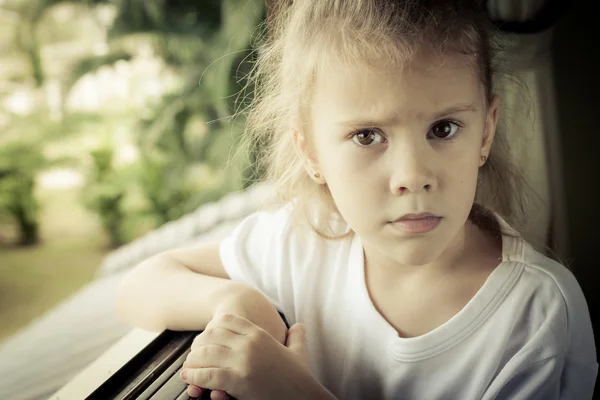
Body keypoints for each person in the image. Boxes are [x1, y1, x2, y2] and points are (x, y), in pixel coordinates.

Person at [116, 0, 598, 399]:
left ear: (486, 132)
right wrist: (237, 301)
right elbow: (141, 284)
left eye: (443, 129)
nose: (412, 176)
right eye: (368, 136)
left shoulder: (535, 315)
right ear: (311, 152)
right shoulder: (304, 242)